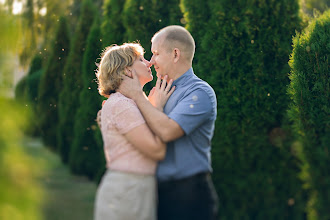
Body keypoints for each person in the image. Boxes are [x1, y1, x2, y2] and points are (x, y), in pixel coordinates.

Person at [118, 25, 219, 220]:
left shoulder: (199, 93)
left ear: (175, 54)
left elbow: (167, 132)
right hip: (158, 194)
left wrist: (138, 96)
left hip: (188, 196)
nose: (151, 61)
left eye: (155, 54)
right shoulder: (157, 92)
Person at [93, 43, 174, 220]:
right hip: (128, 190)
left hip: (135, 187)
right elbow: (157, 151)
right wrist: (158, 108)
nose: (149, 63)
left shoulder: (128, 103)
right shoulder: (121, 105)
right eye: (140, 59)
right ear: (126, 70)